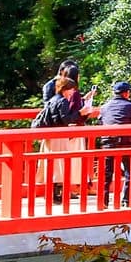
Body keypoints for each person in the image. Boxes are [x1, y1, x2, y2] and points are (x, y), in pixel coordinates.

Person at [31, 76, 86, 205]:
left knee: (52, 164)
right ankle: (55, 194)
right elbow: (66, 120)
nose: (73, 92)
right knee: (59, 165)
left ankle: (52, 193)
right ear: (66, 89)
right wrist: (81, 113)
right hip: (59, 136)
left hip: (50, 135)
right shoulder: (63, 101)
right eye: (72, 89)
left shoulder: (53, 100)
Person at [96, 80, 131, 207]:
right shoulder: (130, 107)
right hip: (126, 143)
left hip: (107, 142)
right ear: (126, 94)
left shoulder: (104, 107)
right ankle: (127, 200)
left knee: (107, 174)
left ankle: (103, 201)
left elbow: (100, 124)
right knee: (130, 172)